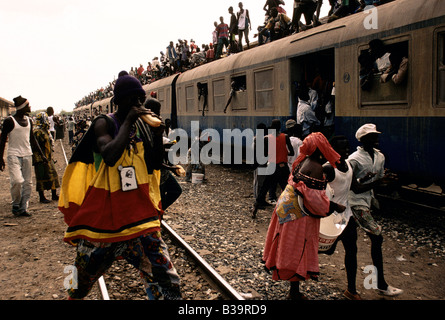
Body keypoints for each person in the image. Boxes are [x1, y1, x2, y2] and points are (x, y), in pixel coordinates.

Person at [58, 72, 182, 300]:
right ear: (118, 101)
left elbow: (154, 165)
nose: (137, 104)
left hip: (139, 218)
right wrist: (128, 121)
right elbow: (110, 155)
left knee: (166, 278)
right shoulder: (103, 123)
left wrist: (156, 135)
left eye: (140, 100)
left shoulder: (142, 126)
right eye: (131, 99)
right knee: (79, 278)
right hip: (104, 221)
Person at [262, 132, 345, 299]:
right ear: (319, 150)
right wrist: (335, 206)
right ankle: (293, 294)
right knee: (297, 251)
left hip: (287, 211)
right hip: (297, 217)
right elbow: (317, 202)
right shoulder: (315, 167)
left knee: (292, 250)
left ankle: (294, 291)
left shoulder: (303, 161)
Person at [347, 124, 403, 297]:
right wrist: (380, 182)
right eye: (371, 136)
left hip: (366, 202)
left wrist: (388, 182)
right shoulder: (354, 159)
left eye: (376, 135)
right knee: (376, 237)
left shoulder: (380, 157)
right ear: (363, 140)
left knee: (351, 245)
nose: (376, 138)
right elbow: (354, 187)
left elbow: (378, 182)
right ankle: (380, 284)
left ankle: (354, 289)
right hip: (354, 203)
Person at [0, 96, 47, 217]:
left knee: (27, 183)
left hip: (27, 154)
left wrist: (42, 155)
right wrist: (0, 158)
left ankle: (23, 208)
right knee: (17, 180)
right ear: (21, 107)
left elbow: (32, 139)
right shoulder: (9, 121)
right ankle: (15, 203)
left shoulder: (29, 121)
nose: (30, 107)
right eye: (28, 105)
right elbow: (2, 140)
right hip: (13, 154)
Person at [252, 119, 294, 217]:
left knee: (264, 188)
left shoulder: (267, 138)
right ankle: (290, 211)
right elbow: (291, 152)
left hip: (272, 167)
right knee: (287, 189)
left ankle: (255, 208)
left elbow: (265, 153)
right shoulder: (286, 137)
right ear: (280, 127)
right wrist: (284, 153)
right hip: (283, 167)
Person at [32, 112, 60, 203]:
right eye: (46, 120)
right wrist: (41, 156)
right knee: (41, 176)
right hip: (40, 158)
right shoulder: (37, 132)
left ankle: (54, 195)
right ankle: (42, 197)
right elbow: (35, 145)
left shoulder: (45, 131)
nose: (47, 121)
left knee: (52, 174)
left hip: (48, 157)